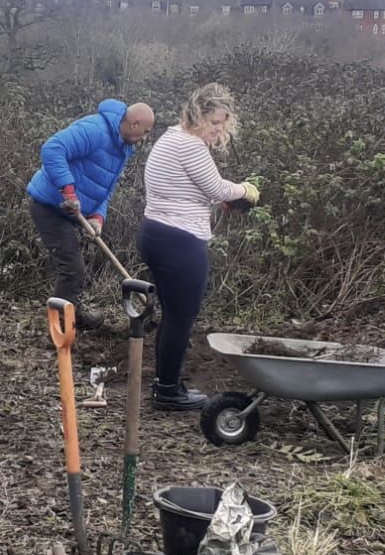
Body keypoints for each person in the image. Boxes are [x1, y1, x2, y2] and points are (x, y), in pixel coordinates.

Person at [137, 83, 259, 411]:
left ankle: (165, 384)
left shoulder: (171, 138)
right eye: (214, 122)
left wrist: (219, 200)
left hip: (157, 233)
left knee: (172, 315)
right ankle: (167, 391)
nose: (218, 129)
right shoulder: (189, 145)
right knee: (181, 317)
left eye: (222, 122)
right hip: (179, 240)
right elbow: (217, 188)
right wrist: (246, 190)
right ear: (198, 115)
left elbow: (186, 189)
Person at [25, 98, 156, 328]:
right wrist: (68, 191)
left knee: (76, 268)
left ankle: (72, 313)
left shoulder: (122, 148)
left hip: (71, 212)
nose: (145, 138)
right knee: (72, 270)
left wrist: (97, 217)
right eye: (145, 132)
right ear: (134, 123)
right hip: (49, 205)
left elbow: (106, 187)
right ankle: (61, 327)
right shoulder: (95, 130)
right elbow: (53, 148)